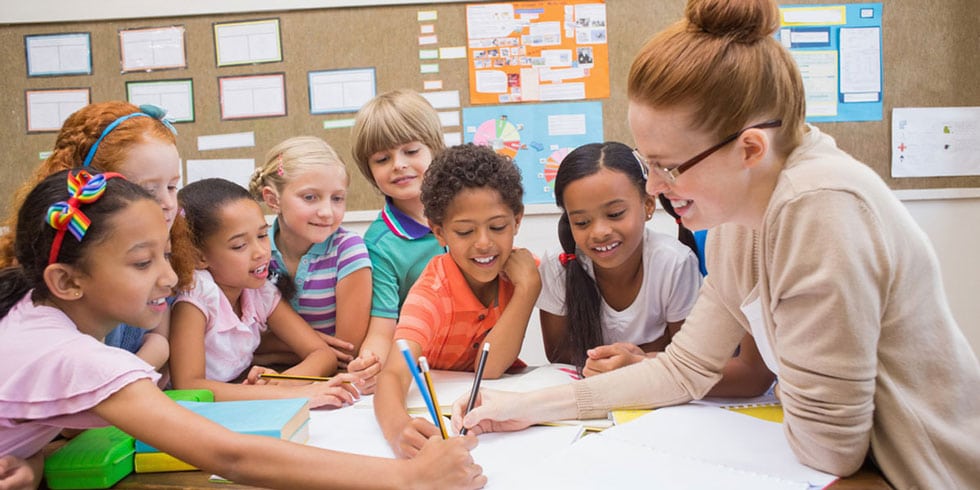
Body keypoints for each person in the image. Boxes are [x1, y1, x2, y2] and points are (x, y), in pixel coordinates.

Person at [451, 0, 980, 488]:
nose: (654, 187)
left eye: (668, 166)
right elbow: (685, 367)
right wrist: (538, 405)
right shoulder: (737, 213)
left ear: (750, 147)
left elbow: (832, 447)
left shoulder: (821, 208)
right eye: (647, 161)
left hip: (914, 473)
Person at [0, 169, 485, 490]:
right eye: (143, 262)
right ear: (65, 281)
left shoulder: (33, 317)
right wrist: (410, 478)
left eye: (167, 256)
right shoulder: (71, 353)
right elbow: (229, 455)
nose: (169, 279)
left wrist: (31, 462)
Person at [539, 141, 774, 397]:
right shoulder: (561, 265)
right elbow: (558, 354)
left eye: (616, 213)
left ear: (648, 205)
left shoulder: (676, 261)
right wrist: (643, 354)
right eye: (582, 221)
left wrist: (638, 362)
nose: (600, 232)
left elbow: (698, 358)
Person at [0, 101, 195, 377]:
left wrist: (136, 372)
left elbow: (159, 338)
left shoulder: (163, 244)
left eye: (173, 186)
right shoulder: (62, 286)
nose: (166, 203)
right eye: (147, 190)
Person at [374, 144, 540, 458]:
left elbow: (489, 370)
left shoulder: (523, 273)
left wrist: (528, 287)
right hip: (446, 419)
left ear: (517, 220)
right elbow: (394, 373)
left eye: (498, 227)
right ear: (439, 233)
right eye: (464, 231)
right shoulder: (433, 292)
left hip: (497, 420)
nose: (484, 243)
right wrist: (397, 427)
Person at [169, 178, 363, 407]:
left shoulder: (259, 291)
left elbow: (323, 354)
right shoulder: (196, 296)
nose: (261, 252)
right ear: (199, 256)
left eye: (262, 235)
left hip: (237, 403)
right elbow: (189, 386)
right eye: (240, 245)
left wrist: (283, 382)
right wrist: (290, 395)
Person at [248, 136, 376, 385]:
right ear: (273, 199)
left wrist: (274, 346)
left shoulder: (348, 252)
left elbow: (344, 353)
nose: (327, 211)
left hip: (328, 382)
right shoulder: (255, 251)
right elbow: (244, 343)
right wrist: (313, 344)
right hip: (259, 376)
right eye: (310, 197)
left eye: (337, 198)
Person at [349, 89, 447, 389]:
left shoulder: (467, 216)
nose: (398, 164)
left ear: (434, 149)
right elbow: (382, 328)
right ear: (370, 171)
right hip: (427, 370)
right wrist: (370, 364)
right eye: (382, 158)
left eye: (411, 151)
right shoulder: (379, 245)